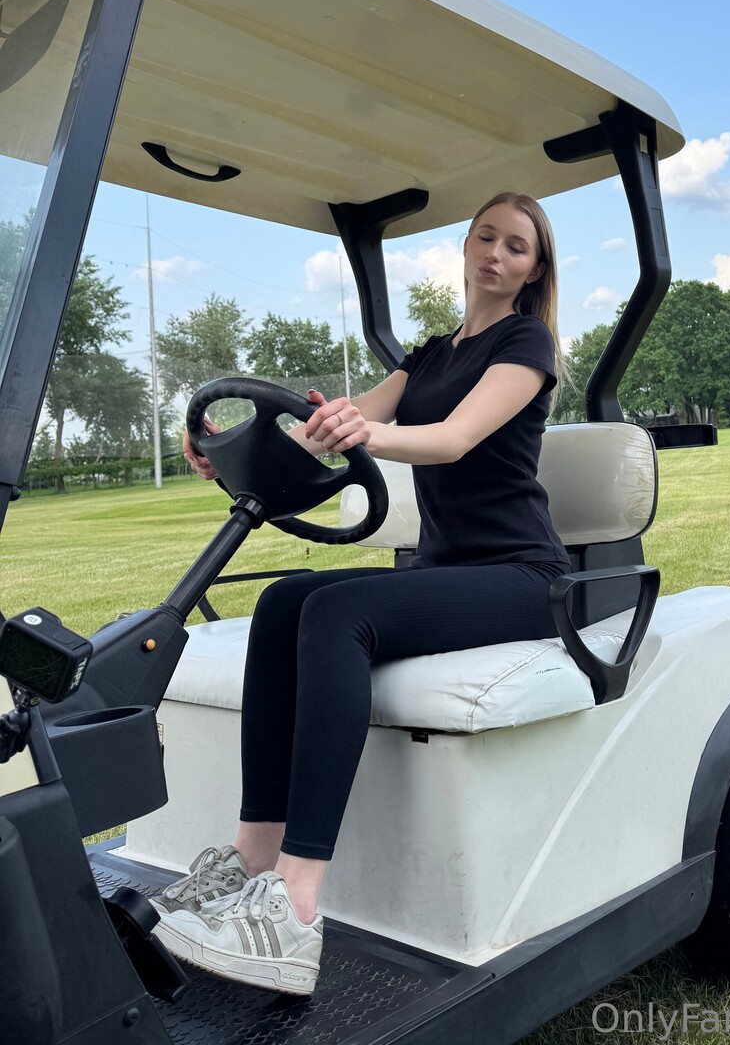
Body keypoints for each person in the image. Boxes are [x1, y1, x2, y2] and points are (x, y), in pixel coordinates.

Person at [152, 191, 571, 996]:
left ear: (533, 269)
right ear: (466, 248)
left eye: (515, 246)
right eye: (485, 237)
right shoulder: (430, 355)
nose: (495, 254)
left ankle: (296, 906)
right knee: (283, 601)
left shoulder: (527, 343)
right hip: (447, 569)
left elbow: (451, 439)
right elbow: (321, 437)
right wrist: (224, 450)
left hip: (524, 576)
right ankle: (252, 860)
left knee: (340, 612)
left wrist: (366, 433)